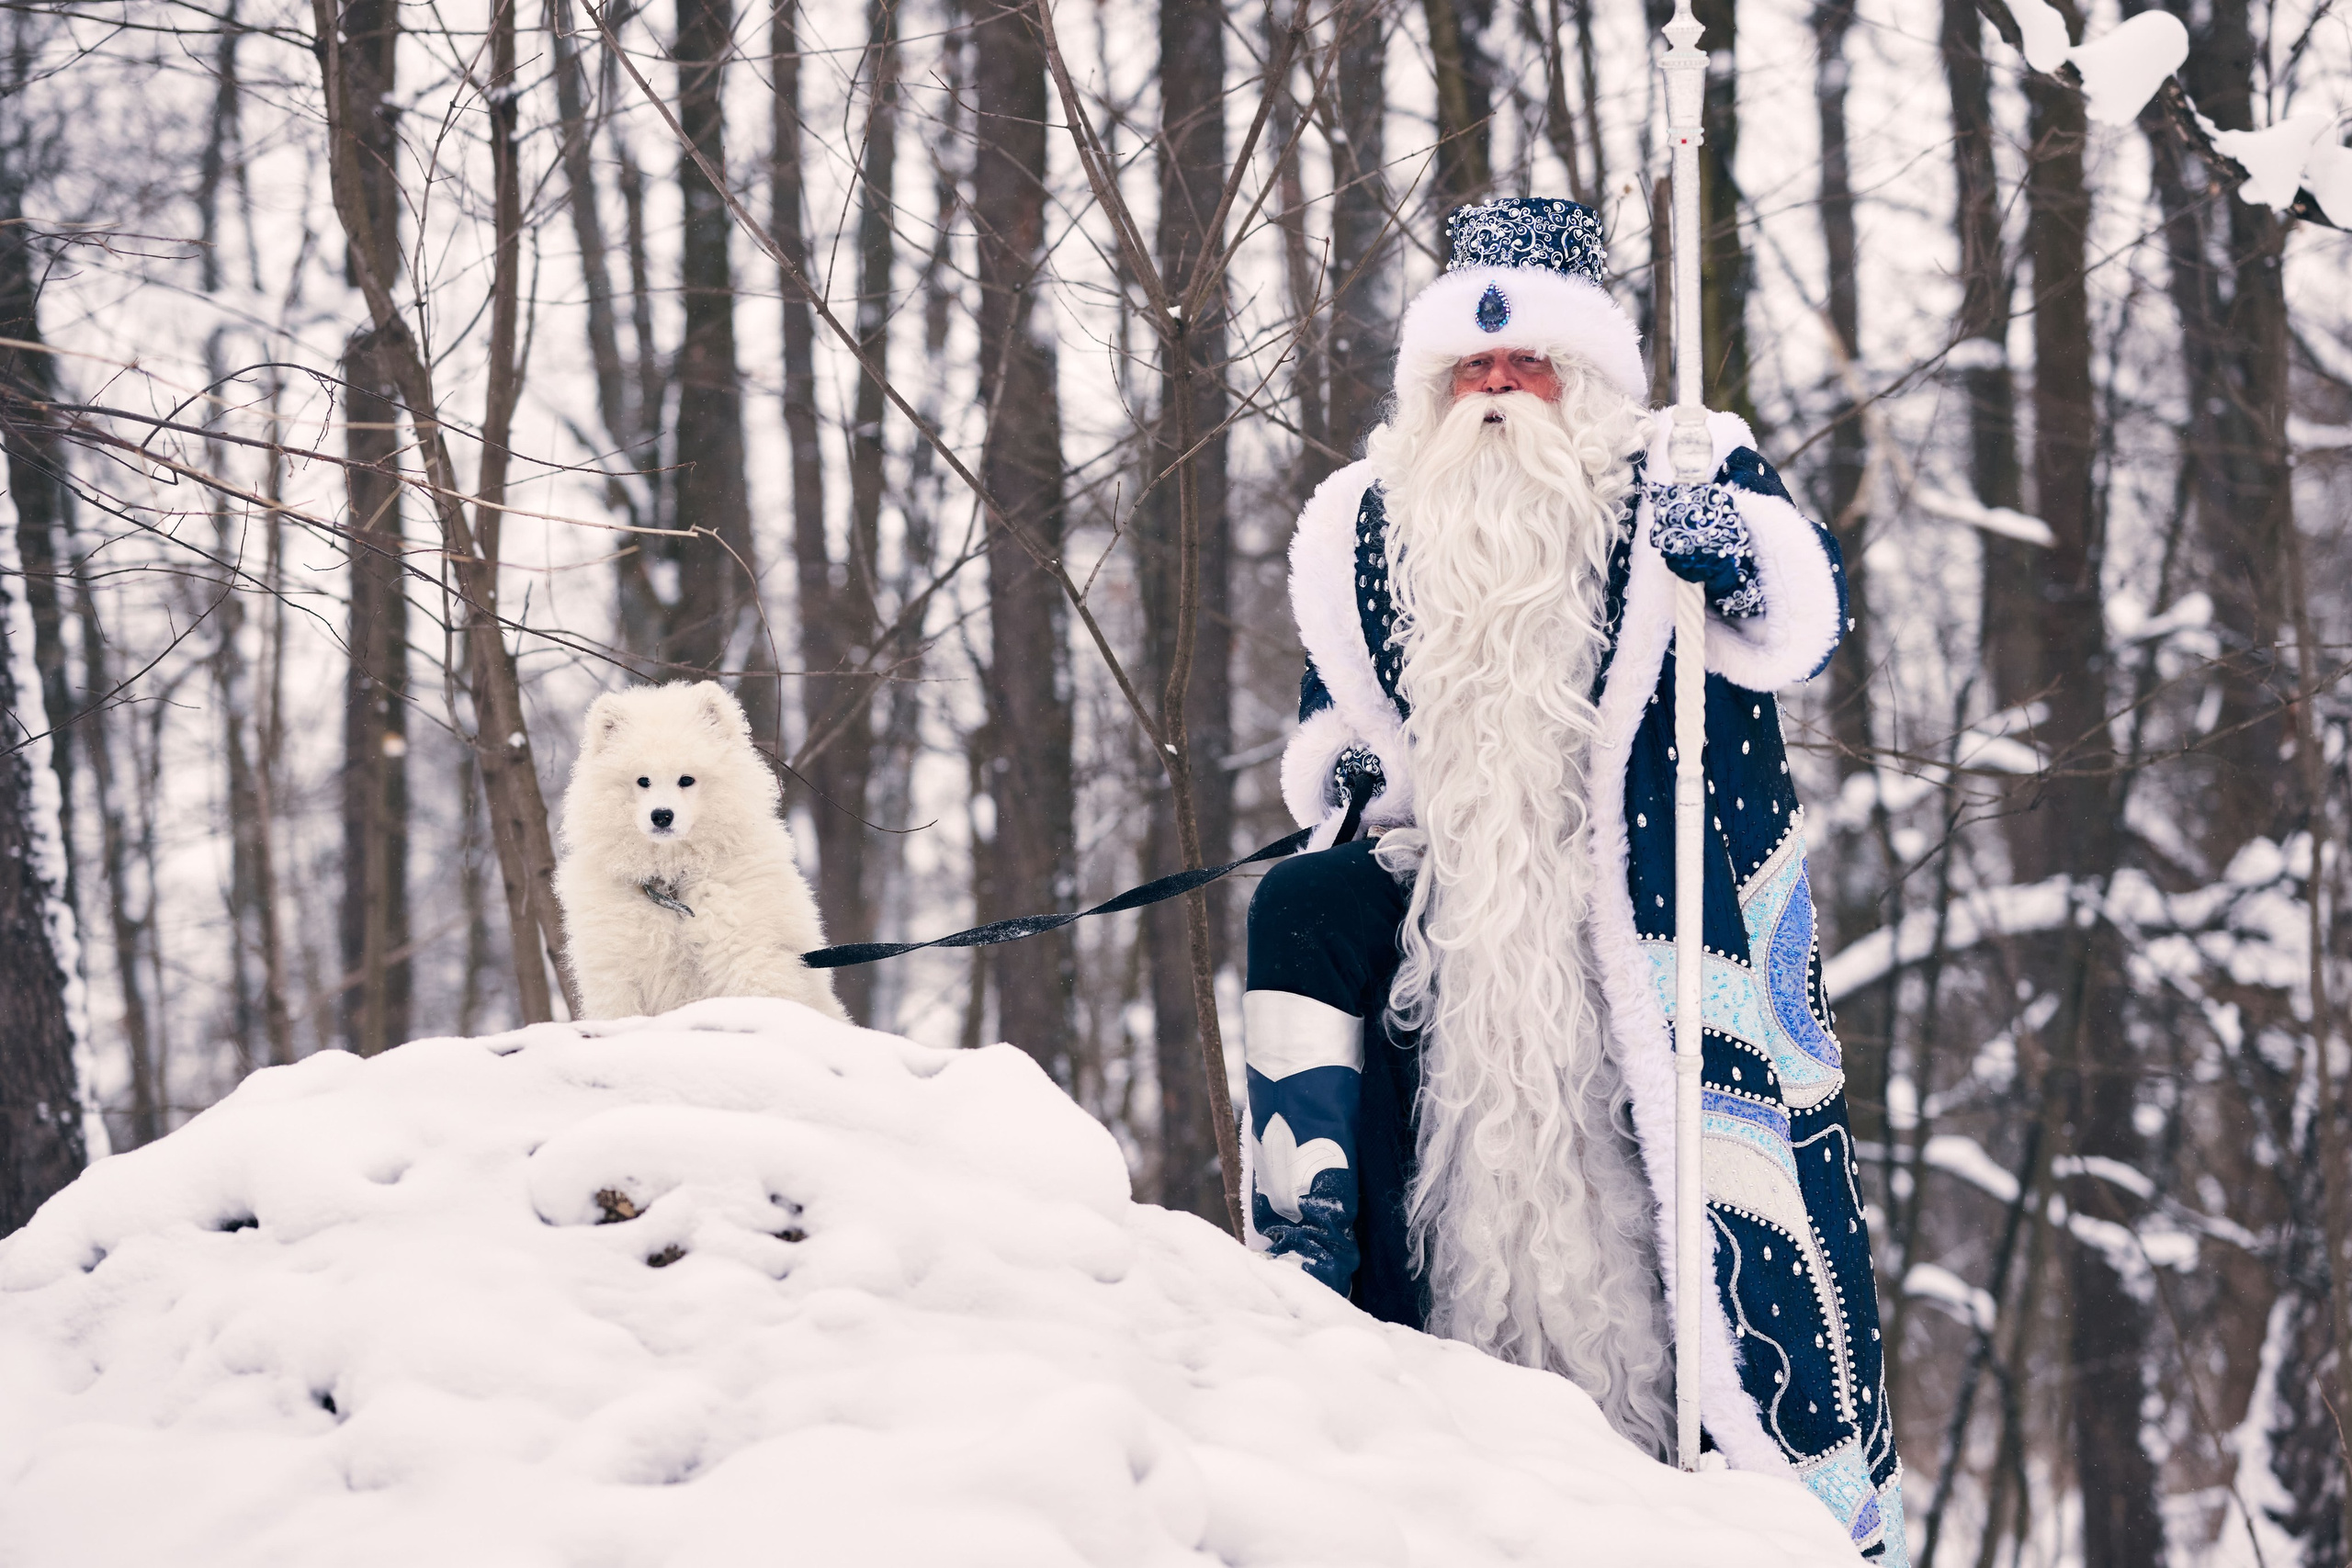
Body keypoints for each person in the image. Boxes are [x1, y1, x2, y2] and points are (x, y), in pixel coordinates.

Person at [1243, 197, 1905, 1563]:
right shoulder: (1367, 524)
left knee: (1704, 1247)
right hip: (1458, 939)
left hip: (1654, 932)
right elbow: (1336, 720)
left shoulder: (1680, 470)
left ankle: (1711, 1497)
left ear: (1585, 376)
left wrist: (1732, 560)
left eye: (1524, 365)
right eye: (1470, 371)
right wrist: (1357, 783)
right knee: (1307, 928)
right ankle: (1309, 1250)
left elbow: (1802, 621)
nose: (1495, 392)